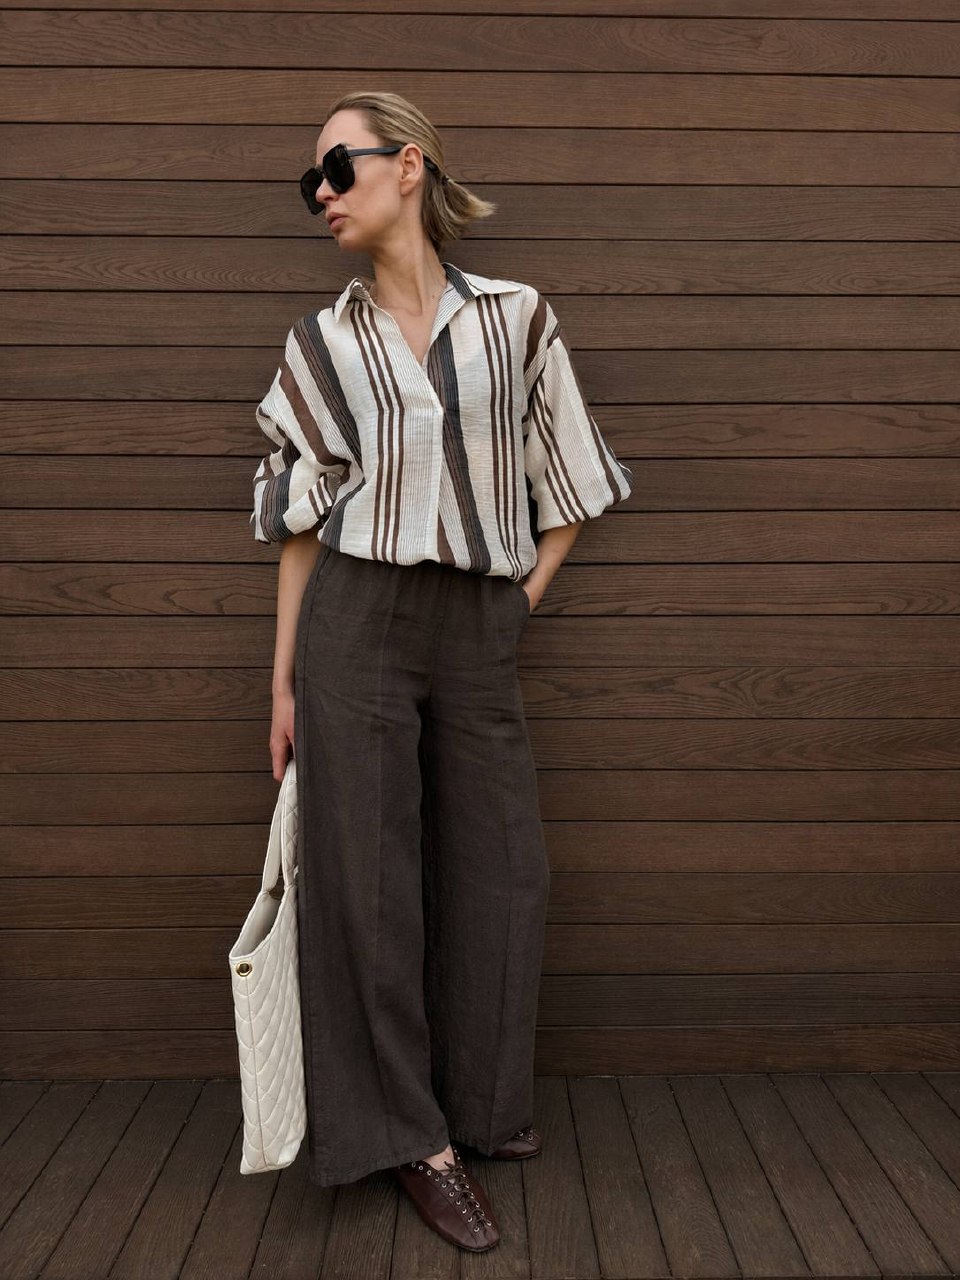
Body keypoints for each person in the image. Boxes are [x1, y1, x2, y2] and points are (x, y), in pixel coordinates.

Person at [249, 90, 632, 1253]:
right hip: (355, 620)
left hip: (476, 620)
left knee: (502, 868)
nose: (322, 194)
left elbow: (574, 476)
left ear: (408, 165)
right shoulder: (321, 343)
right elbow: (298, 521)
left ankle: (480, 1103)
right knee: (367, 884)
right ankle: (411, 1139)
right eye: (309, 183)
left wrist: (515, 603)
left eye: (338, 168)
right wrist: (282, 684)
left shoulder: (516, 318)